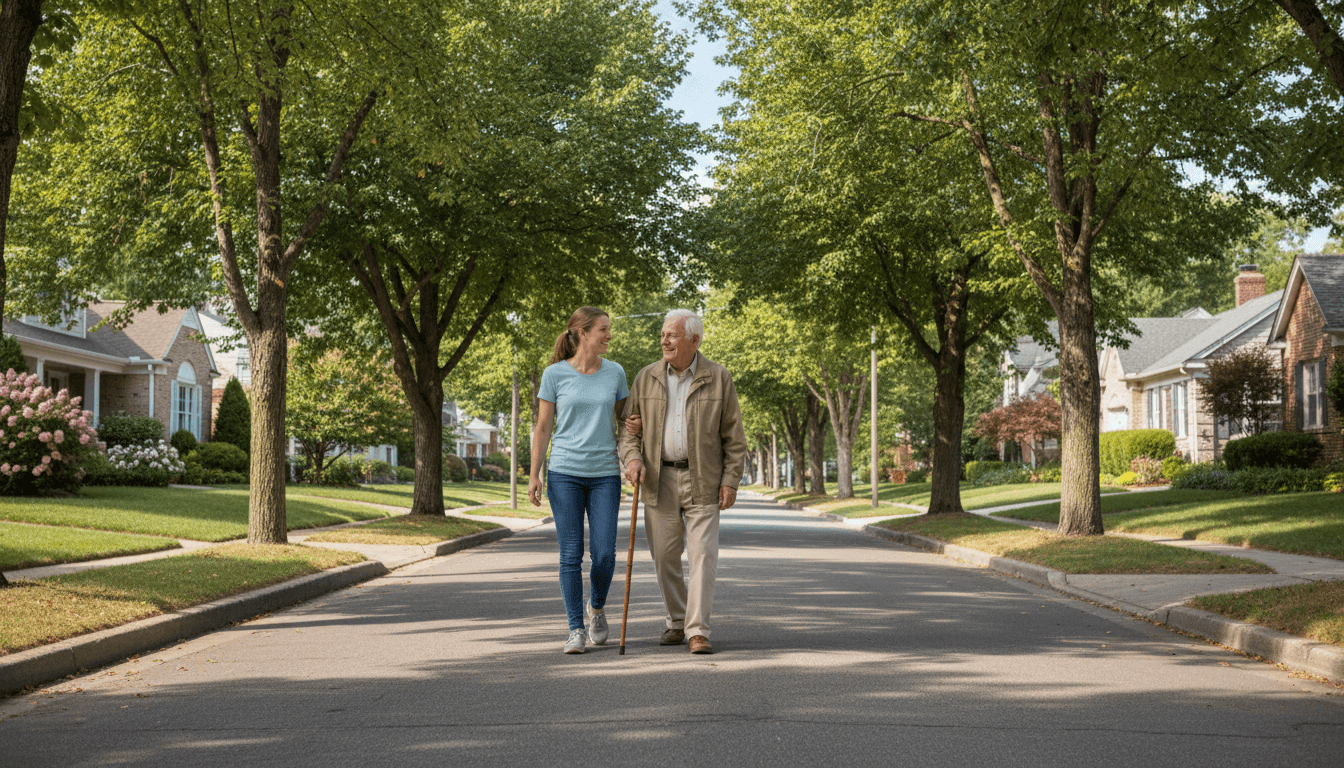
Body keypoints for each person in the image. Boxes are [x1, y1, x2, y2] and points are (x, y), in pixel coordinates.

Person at [619, 309, 747, 655]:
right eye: (662, 335)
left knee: (703, 554)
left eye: (672, 335)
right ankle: (677, 620)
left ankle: (697, 630)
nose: (664, 341)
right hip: (658, 478)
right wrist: (632, 458)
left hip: (703, 477)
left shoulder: (719, 378)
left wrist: (731, 479)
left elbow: (734, 437)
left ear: (694, 340)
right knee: (664, 556)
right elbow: (628, 430)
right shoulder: (646, 378)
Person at [529, 307, 629, 654]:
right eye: (603, 329)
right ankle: (575, 628)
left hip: (604, 473)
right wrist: (534, 473)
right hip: (564, 473)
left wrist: (635, 424)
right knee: (570, 554)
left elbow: (625, 419)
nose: (609, 336)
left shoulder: (615, 372)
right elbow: (543, 428)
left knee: (603, 554)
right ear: (582, 332)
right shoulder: (554, 375)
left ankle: (597, 608)